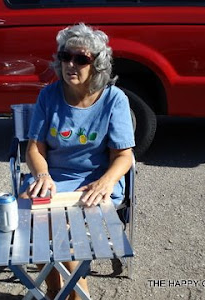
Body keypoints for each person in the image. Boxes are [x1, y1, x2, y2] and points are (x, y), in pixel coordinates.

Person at [19, 23, 135, 300]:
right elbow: (34, 148)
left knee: (58, 222)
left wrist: (106, 181)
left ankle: (73, 293)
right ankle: (55, 287)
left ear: (97, 64)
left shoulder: (113, 99)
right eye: (65, 57)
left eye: (81, 59)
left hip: (96, 180)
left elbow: (124, 156)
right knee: (33, 214)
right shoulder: (49, 95)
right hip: (54, 176)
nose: (71, 64)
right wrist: (42, 176)